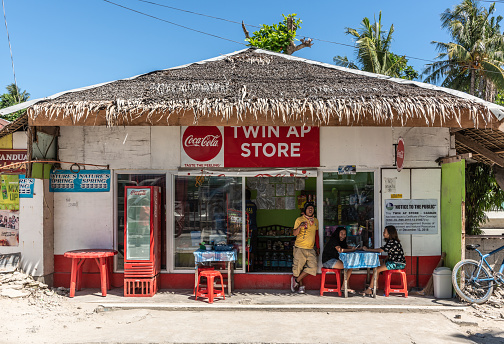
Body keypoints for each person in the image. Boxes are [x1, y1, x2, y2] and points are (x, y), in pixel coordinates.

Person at [361, 225, 406, 296]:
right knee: (379, 262)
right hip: (394, 261)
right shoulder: (391, 242)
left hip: (397, 263)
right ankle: (376, 286)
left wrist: (367, 249)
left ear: (389, 234)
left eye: (384, 232)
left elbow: (379, 250)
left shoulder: (392, 242)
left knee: (376, 270)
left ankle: (370, 289)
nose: (383, 233)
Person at [291, 201, 319, 294]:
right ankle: (301, 286)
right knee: (298, 268)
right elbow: (294, 233)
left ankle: (296, 280)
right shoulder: (299, 219)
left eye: (312, 208)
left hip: (311, 248)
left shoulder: (315, 221)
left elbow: (316, 235)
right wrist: (300, 226)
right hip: (300, 248)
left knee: (313, 267)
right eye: (308, 208)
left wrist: (317, 247)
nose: (310, 210)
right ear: (305, 210)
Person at [322, 226, 358, 293]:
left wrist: (354, 248)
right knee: (349, 266)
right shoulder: (334, 240)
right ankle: (344, 287)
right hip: (328, 261)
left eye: (344, 234)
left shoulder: (341, 241)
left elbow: (346, 247)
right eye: (341, 233)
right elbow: (340, 250)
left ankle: (346, 286)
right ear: (337, 233)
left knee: (349, 266)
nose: (343, 236)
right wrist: (351, 249)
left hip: (334, 260)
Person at [245, 189, 257, 271]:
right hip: (253, 229)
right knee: (252, 249)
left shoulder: (241, 205)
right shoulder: (253, 205)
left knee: (244, 249)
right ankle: (251, 267)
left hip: (245, 230)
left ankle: (245, 266)